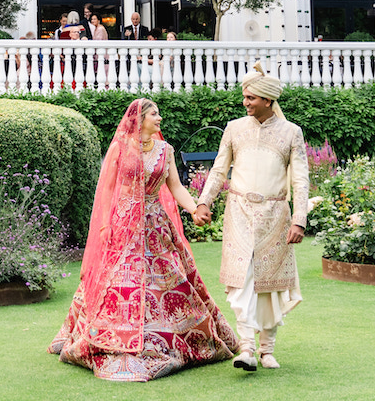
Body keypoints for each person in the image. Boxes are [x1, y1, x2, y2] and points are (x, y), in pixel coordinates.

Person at [49, 99, 238, 380]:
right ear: (139, 119)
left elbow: (175, 187)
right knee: (116, 282)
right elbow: (107, 189)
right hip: (123, 226)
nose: (159, 118)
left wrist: (195, 208)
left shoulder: (166, 150)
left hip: (156, 228)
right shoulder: (121, 148)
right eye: (154, 114)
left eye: (158, 114)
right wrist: (103, 226)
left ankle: (169, 339)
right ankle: (110, 338)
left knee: (168, 280)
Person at [193, 64, 310, 371]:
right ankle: (246, 347)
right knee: (242, 279)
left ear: (268, 101)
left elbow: (300, 179)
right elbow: (219, 170)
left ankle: (267, 348)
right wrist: (203, 203)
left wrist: (299, 219)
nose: (245, 102)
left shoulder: (291, 133)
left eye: (251, 98)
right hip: (239, 212)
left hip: (276, 216)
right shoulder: (234, 128)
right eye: (245, 97)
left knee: (268, 284)